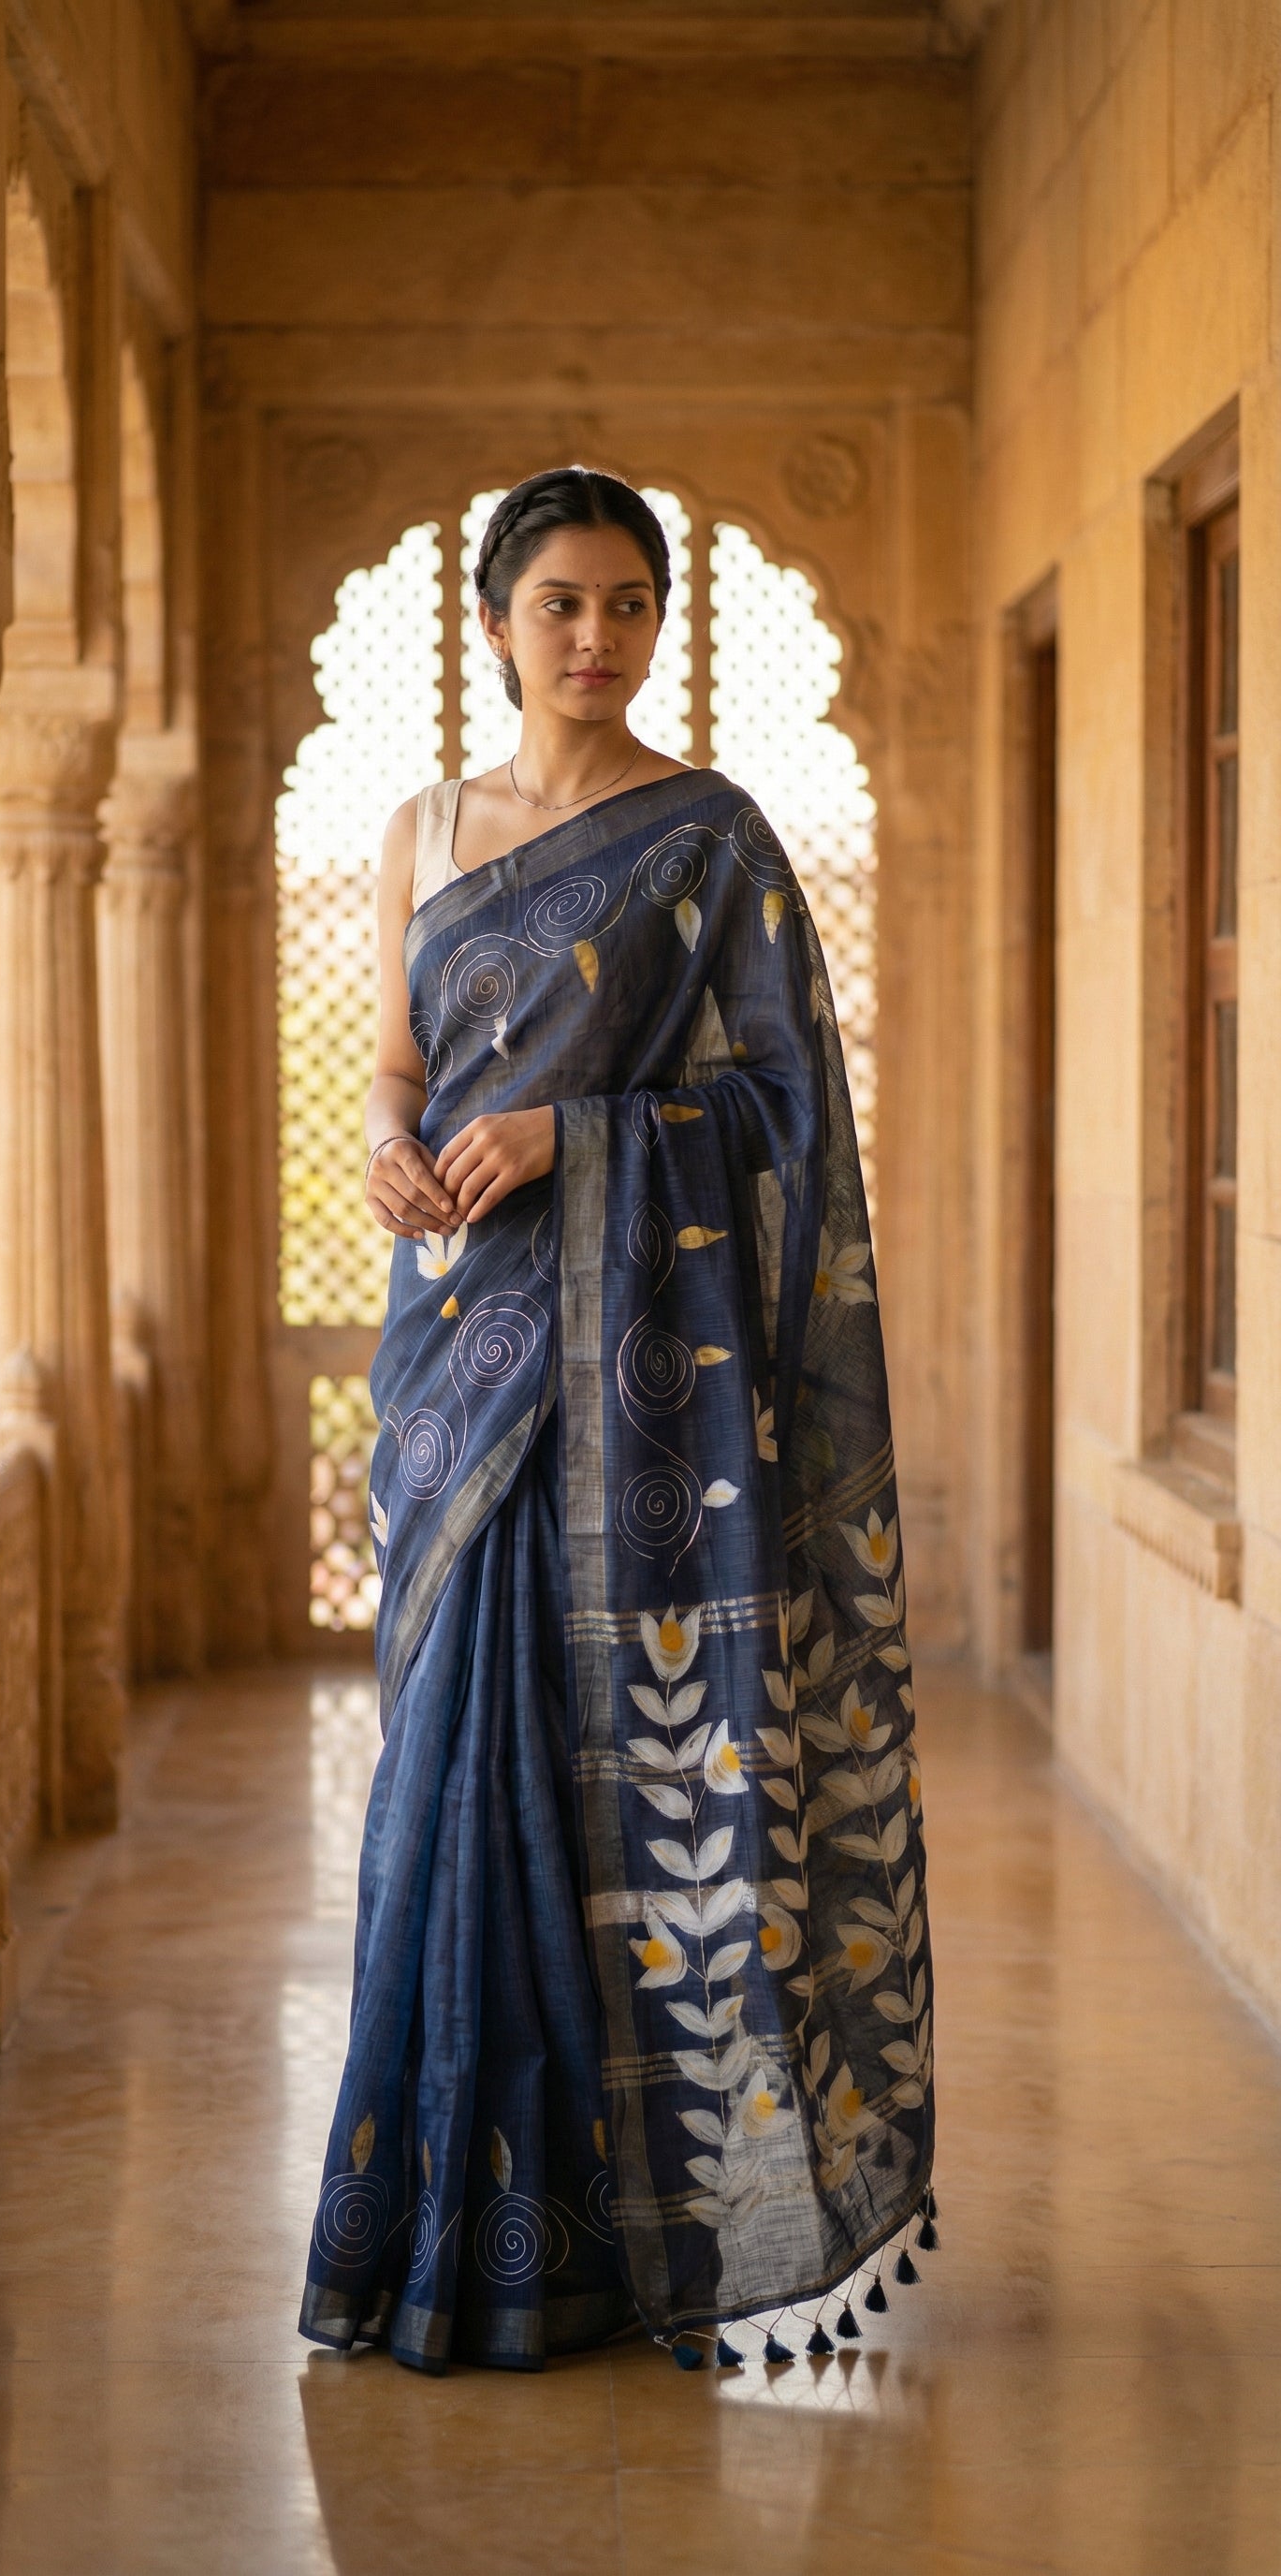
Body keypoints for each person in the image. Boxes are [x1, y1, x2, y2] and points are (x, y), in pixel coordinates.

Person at [298, 467, 935, 2376]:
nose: (597, 634)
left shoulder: (711, 840)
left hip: (638, 1401)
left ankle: (620, 2234)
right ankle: (448, 2229)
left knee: (612, 1784)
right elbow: (399, 1065)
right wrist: (396, 1141)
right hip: (457, 1369)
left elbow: (784, 1118)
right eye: (562, 600)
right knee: (447, 1783)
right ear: (496, 623)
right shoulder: (422, 826)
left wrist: (574, 1142)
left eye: (629, 603)